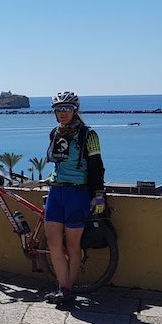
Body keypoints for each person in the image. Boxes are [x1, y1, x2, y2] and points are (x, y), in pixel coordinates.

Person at [43, 91, 106, 305]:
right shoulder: (55, 133)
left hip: (77, 193)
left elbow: (97, 166)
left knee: (72, 245)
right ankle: (63, 288)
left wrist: (98, 194)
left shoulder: (89, 135)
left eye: (67, 109)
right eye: (58, 109)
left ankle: (69, 288)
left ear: (75, 110)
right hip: (56, 191)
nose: (62, 113)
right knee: (53, 243)